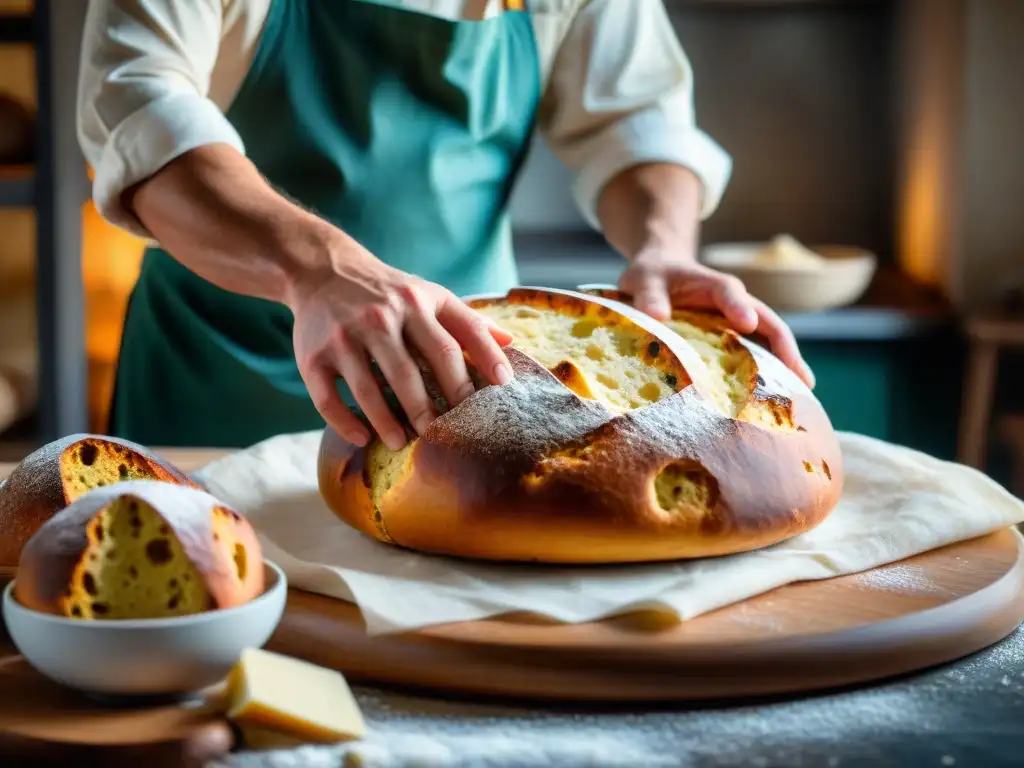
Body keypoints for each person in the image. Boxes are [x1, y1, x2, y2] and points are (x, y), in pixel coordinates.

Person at [77, 0, 814, 450]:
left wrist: (663, 250)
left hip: (476, 390)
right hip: (214, 385)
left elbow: (637, 121)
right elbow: (140, 115)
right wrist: (320, 269)